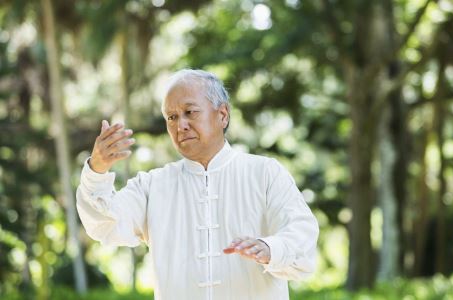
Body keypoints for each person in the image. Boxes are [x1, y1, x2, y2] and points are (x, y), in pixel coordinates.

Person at [76, 69, 319, 300]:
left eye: (190, 112)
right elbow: (103, 224)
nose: (180, 125)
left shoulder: (265, 173)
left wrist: (270, 248)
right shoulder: (153, 186)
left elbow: (302, 234)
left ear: (222, 115)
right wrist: (97, 169)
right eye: (172, 117)